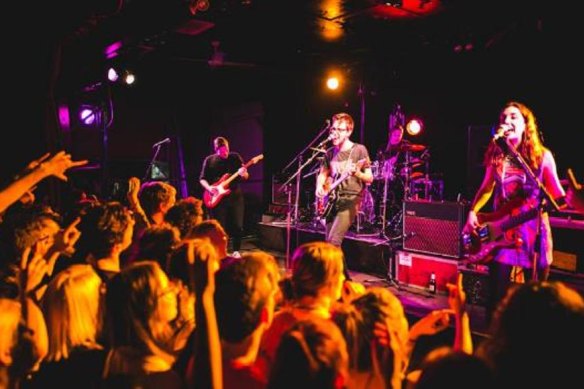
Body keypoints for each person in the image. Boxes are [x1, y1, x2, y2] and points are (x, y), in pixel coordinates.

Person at [462, 101, 566, 323]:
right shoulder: (497, 155)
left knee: (536, 298)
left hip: (533, 231)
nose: (507, 121)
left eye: (513, 117)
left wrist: (570, 199)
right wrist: (473, 211)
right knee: (496, 298)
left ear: (525, 125)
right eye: (503, 118)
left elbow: (558, 196)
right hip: (503, 232)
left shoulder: (542, 156)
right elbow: (487, 187)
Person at [315, 113, 373, 279]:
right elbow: (322, 174)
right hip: (332, 200)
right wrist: (319, 187)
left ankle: (332, 281)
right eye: (333, 129)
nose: (335, 133)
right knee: (330, 245)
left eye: (340, 130)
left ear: (349, 131)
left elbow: (369, 177)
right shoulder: (329, 153)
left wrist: (357, 173)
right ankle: (345, 280)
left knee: (333, 242)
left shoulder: (359, 150)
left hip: (351, 198)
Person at [199, 136, 249, 254]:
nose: (225, 153)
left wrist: (243, 173)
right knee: (219, 228)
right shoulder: (209, 160)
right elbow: (202, 179)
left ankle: (236, 251)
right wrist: (209, 188)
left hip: (235, 197)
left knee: (238, 226)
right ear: (216, 150)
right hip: (217, 198)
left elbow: (246, 176)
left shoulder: (235, 157)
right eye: (222, 151)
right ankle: (221, 251)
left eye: (226, 149)